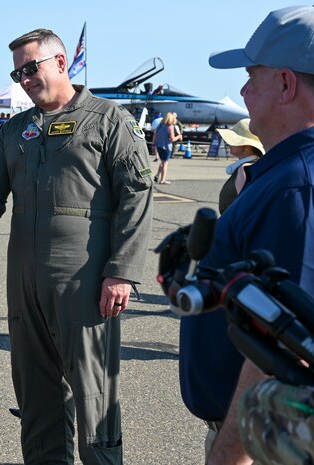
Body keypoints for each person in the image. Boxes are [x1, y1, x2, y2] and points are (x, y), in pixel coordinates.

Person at [0, 28, 153, 465]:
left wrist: (121, 270)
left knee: (93, 388)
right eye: (17, 72)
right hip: (24, 279)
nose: (24, 79)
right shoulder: (16, 130)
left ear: (61, 62)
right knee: (35, 386)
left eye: (31, 68)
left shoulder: (107, 119)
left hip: (82, 277)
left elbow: (137, 194)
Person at [178, 6, 314, 465]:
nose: (242, 89)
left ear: (285, 84)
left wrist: (229, 453)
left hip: (267, 436)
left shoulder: (297, 187)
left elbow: (286, 344)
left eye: (252, 75)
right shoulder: (284, 176)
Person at [215, 118, 264, 213]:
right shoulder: (255, 165)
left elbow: (244, 209)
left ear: (246, 147)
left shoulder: (245, 169)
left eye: (234, 140)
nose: (229, 143)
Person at [152, 112, 181, 184]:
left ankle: (157, 175)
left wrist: (153, 144)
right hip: (167, 147)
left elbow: (155, 134)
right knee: (165, 163)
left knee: (162, 162)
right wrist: (179, 136)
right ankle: (163, 179)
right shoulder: (170, 127)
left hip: (159, 146)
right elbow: (172, 139)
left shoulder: (160, 125)